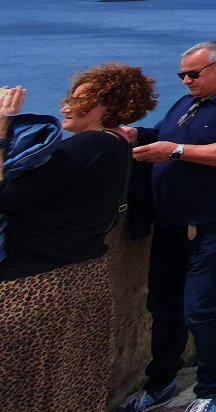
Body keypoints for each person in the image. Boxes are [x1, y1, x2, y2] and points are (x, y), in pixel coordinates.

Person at [116, 41, 216, 412]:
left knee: (200, 307)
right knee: (163, 305)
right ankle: (161, 383)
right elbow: (168, 133)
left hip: (210, 223)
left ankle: (212, 391)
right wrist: (141, 137)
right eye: (182, 74)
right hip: (169, 222)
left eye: (193, 73)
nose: (185, 80)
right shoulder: (186, 102)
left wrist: (173, 152)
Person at [0, 66, 157, 412]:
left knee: (22, 389)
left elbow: (5, 196)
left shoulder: (89, 145)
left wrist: (1, 129)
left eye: (76, 100)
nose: (64, 107)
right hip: (81, 278)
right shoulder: (115, 144)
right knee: (69, 384)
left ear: (105, 106)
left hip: (37, 287)